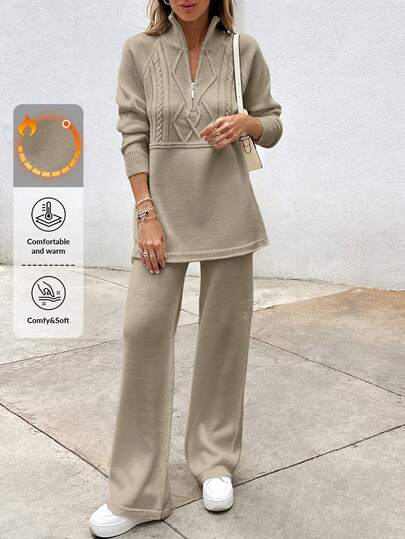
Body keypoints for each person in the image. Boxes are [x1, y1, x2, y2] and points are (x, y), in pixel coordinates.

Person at [89, 0, 282, 536]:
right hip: (163, 218)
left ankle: (214, 460)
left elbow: (272, 122)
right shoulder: (139, 51)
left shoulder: (243, 50)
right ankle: (136, 493)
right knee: (143, 331)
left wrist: (248, 123)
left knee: (224, 339)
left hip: (229, 212)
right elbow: (133, 134)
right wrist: (145, 213)